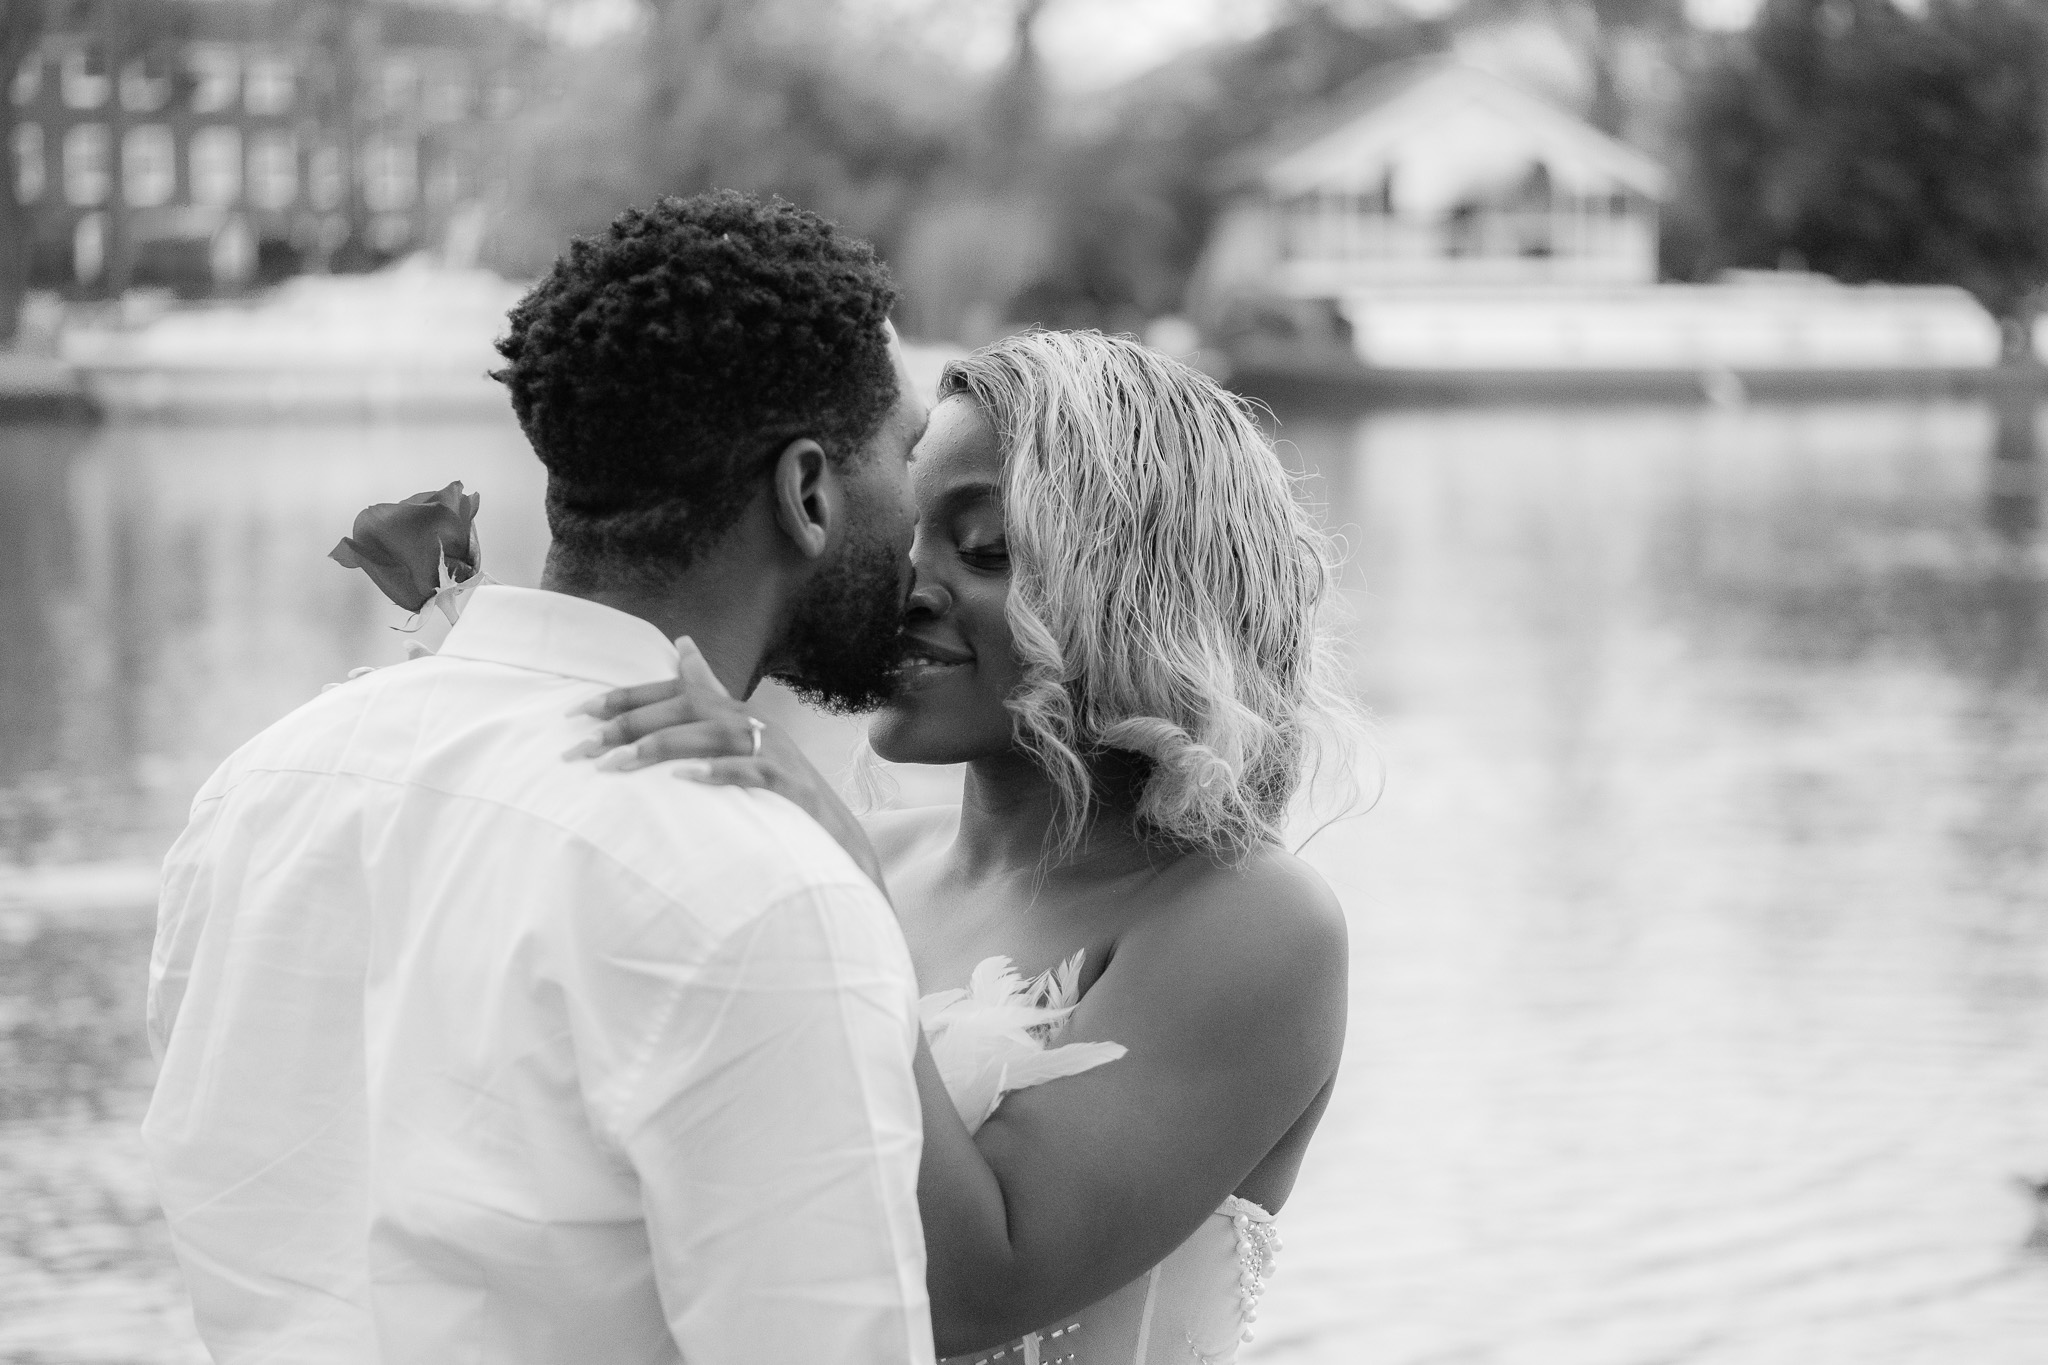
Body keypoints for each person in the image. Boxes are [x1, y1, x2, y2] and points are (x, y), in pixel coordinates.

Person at [142, 193, 937, 1365]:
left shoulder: (263, 789)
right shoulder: (764, 885)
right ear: (807, 492)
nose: (919, 523)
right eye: (908, 455)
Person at [574, 329, 1356, 1364]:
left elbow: (976, 1289)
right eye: (902, 539)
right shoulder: (857, 859)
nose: (911, 588)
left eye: (984, 549)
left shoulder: (1246, 921)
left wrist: (832, 886)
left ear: (1137, 590)